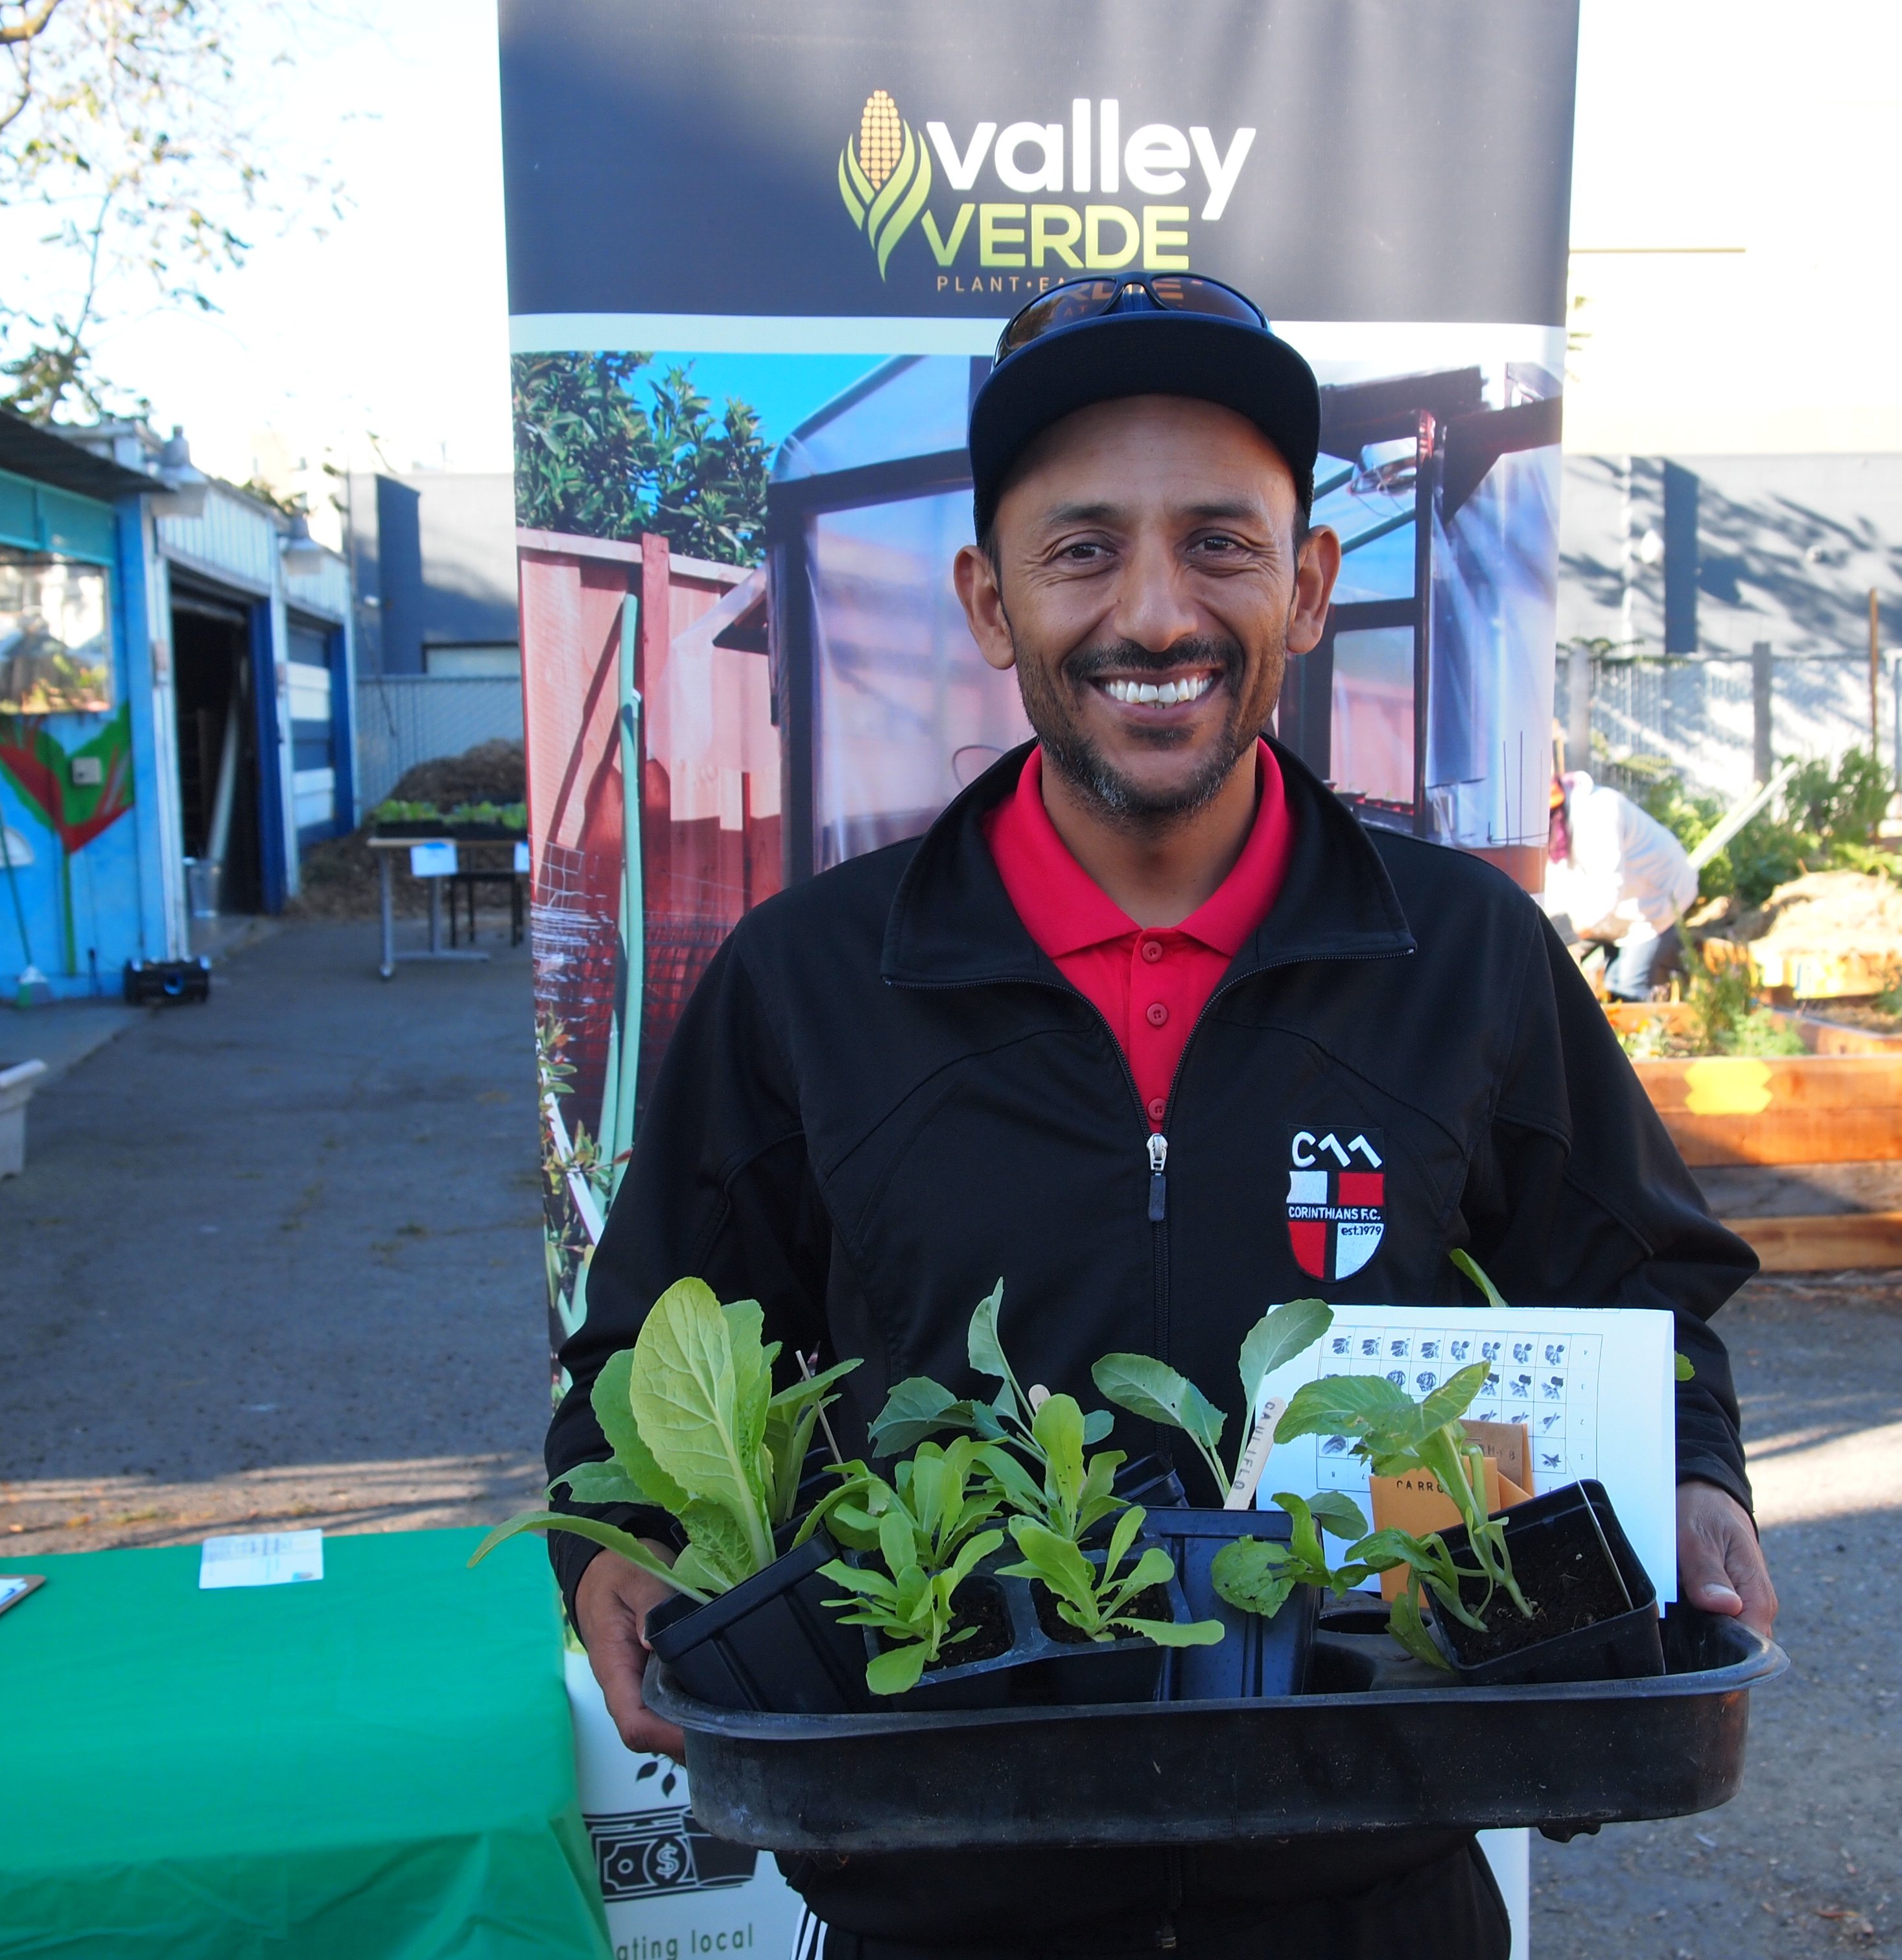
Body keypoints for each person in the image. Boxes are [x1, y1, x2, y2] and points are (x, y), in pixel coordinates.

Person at [548, 275, 1777, 1960]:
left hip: (1372, 1884)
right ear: (989, 600)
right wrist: (617, 1544)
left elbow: (1639, 1286)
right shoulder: (809, 986)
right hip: (942, 1897)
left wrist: (1698, 1476)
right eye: (1080, 550)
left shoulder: (1462, 963)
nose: (1154, 612)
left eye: (1219, 542)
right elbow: (636, 1362)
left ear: (1310, 585)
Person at [1543, 765, 1698, 1001]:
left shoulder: (1599, 812)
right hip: (1621, 908)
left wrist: (1564, 934)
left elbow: (1607, 892)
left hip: (1656, 901)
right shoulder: (1560, 823)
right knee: (1610, 979)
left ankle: (1645, 1033)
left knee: (1627, 986)